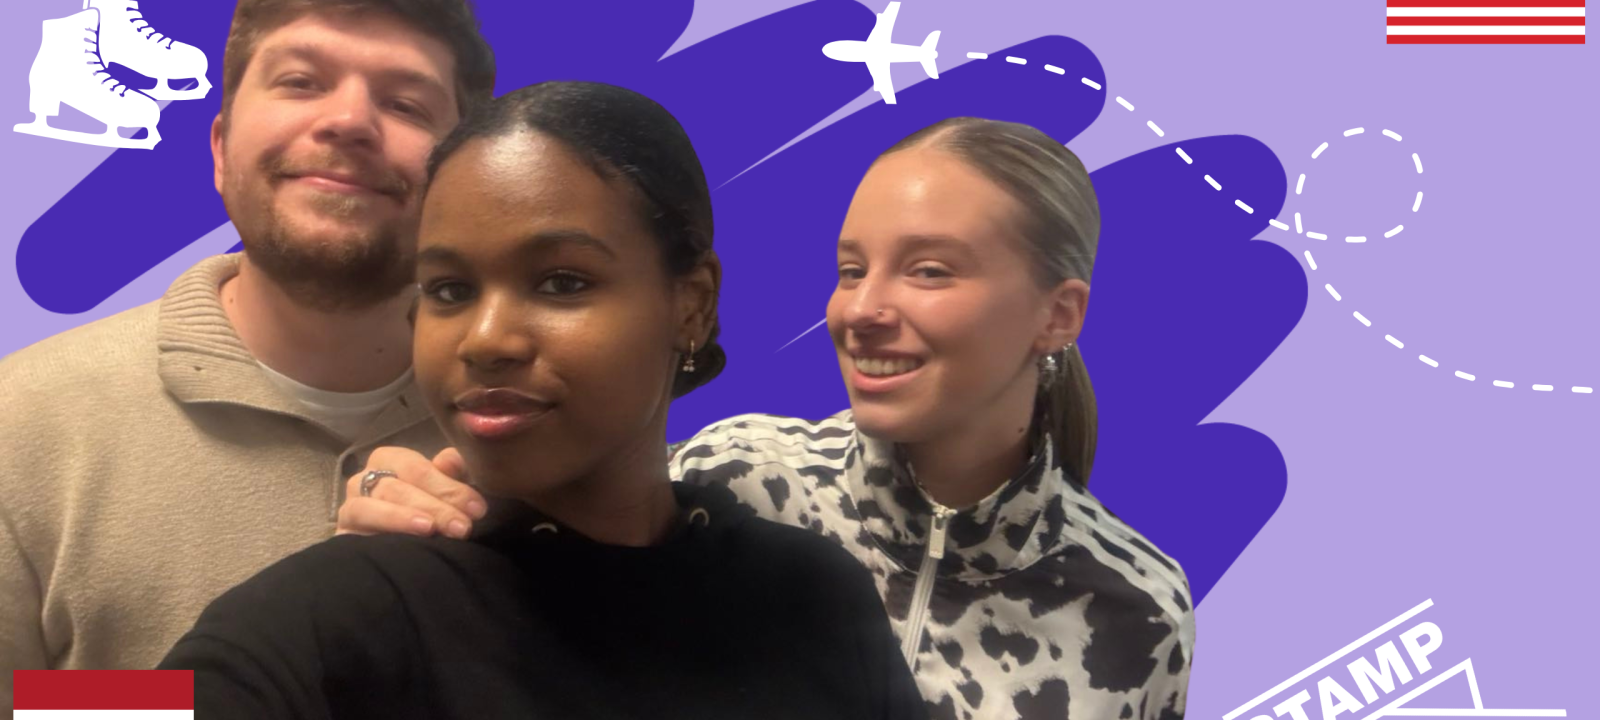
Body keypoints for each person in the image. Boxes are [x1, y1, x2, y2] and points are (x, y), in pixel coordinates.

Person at [345, 116, 1195, 720]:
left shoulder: (1138, 608)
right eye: (852, 269)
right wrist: (402, 500)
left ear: (1058, 314)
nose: (861, 310)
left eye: (929, 270)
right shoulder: (739, 474)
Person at [158, 81, 927, 720]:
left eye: (561, 282)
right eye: (449, 290)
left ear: (691, 302)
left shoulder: (810, 591)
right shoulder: (340, 610)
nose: (486, 338)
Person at [0, 0, 494, 703]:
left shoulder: (546, 431)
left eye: (406, 104)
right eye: (301, 82)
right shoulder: (18, 423)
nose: (349, 120)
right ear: (221, 150)